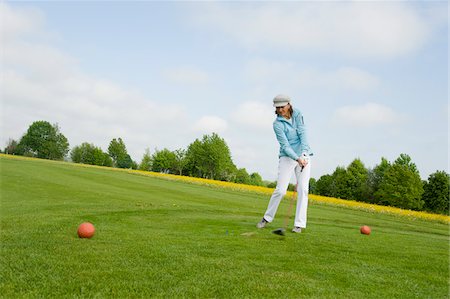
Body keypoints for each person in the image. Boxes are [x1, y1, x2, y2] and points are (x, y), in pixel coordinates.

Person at [256, 94, 313, 233]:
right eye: (278, 107)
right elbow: (285, 146)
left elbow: (303, 133)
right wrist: (296, 158)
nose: (280, 110)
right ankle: (267, 218)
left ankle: (299, 225)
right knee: (281, 190)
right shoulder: (277, 124)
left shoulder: (298, 114)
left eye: (282, 106)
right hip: (287, 157)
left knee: (303, 190)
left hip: (303, 155)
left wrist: (304, 153)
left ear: (289, 104)